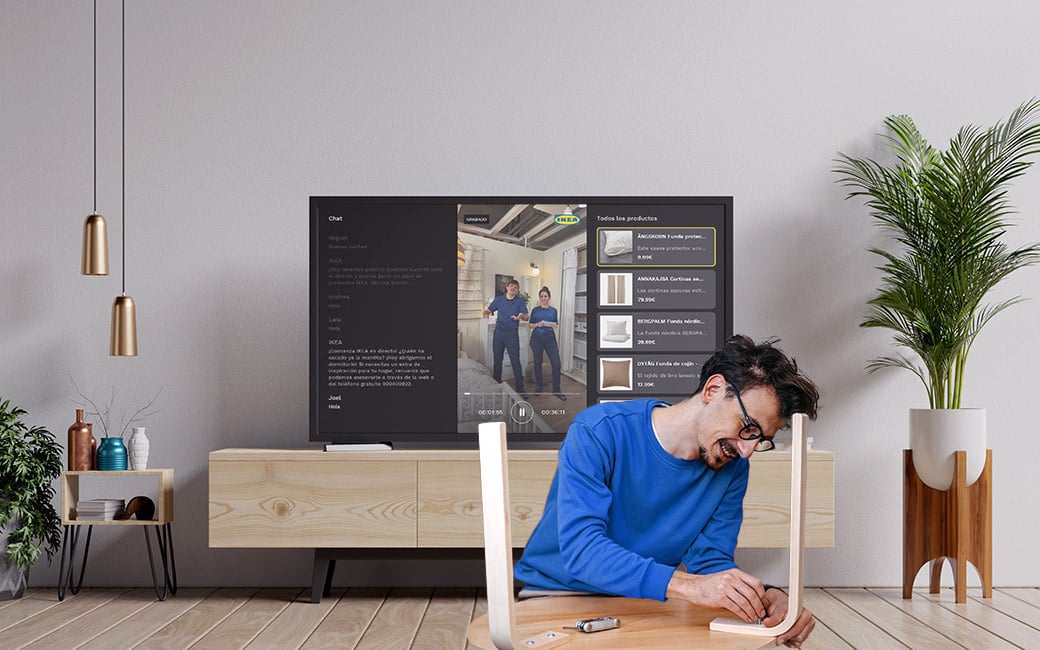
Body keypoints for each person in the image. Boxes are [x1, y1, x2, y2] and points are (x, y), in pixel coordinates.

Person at [515, 335, 820, 647]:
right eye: (747, 427)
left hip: (645, 603)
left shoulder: (732, 467)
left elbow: (710, 562)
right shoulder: (599, 431)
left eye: (761, 439)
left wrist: (767, 596)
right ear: (713, 390)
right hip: (556, 595)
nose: (747, 450)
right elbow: (582, 551)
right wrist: (688, 586)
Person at [483, 279, 529, 397]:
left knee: (515, 361)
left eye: (516, 287)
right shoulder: (498, 300)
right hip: (499, 334)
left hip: (512, 334)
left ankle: (520, 388)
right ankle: (497, 386)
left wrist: (521, 316)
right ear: (507, 288)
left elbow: (526, 317)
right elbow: (487, 311)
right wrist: (486, 315)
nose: (513, 288)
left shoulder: (519, 301)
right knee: (497, 360)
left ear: (517, 290)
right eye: (511, 286)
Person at [528, 286, 565, 401]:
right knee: (538, 362)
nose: (543, 298)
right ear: (539, 298)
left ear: (549, 297)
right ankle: (538, 386)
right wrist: (536, 325)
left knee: (556, 363)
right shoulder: (535, 310)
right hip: (536, 339)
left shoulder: (553, 310)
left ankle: (556, 389)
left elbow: (556, 324)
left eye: (545, 296)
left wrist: (555, 326)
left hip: (550, 339)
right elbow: (530, 325)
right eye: (541, 296)